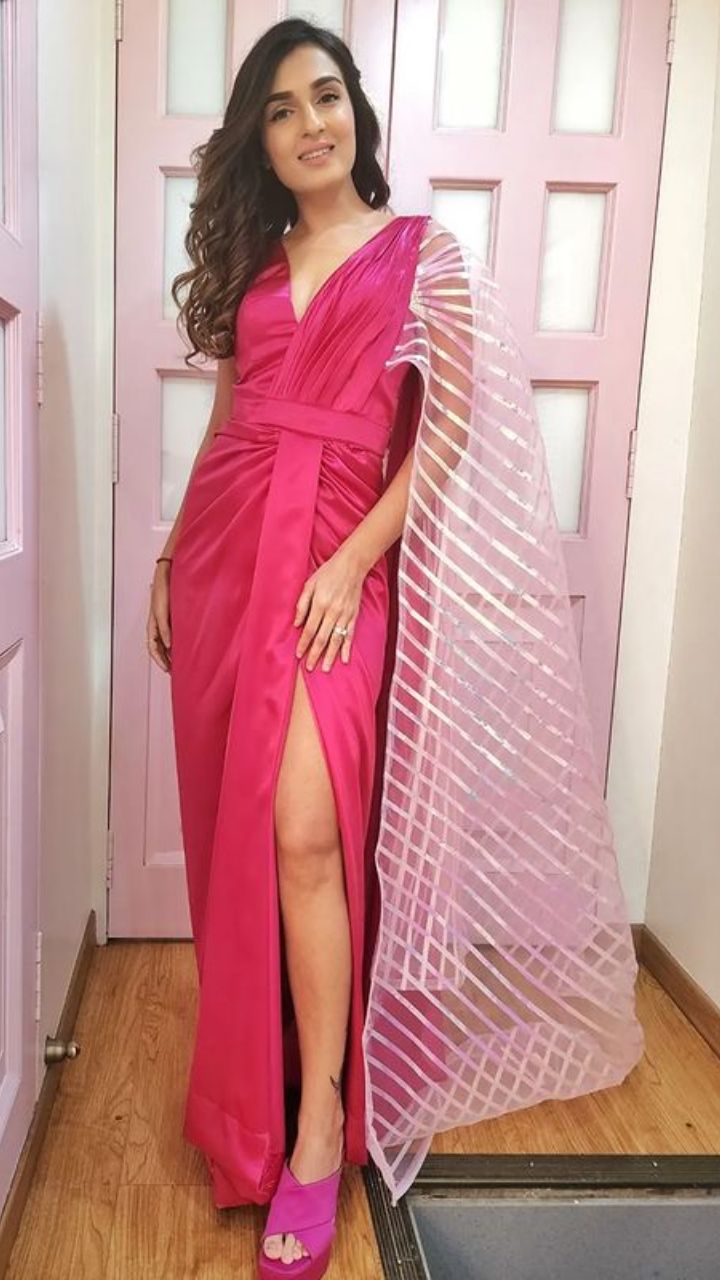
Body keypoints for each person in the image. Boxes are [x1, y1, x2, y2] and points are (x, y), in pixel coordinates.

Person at [145, 16, 645, 1280]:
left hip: (336, 556)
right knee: (246, 833)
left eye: (325, 96)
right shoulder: (256, 266)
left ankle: (320, 1121)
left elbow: (448, 432)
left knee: (309, 830)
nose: (310, 123)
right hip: (227, 554)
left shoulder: (428, 255)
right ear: (261, 141)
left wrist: (353, 560)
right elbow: (228, 421)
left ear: (356, 113)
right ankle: (255, 1095)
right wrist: (167, 555)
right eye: (280, 110)